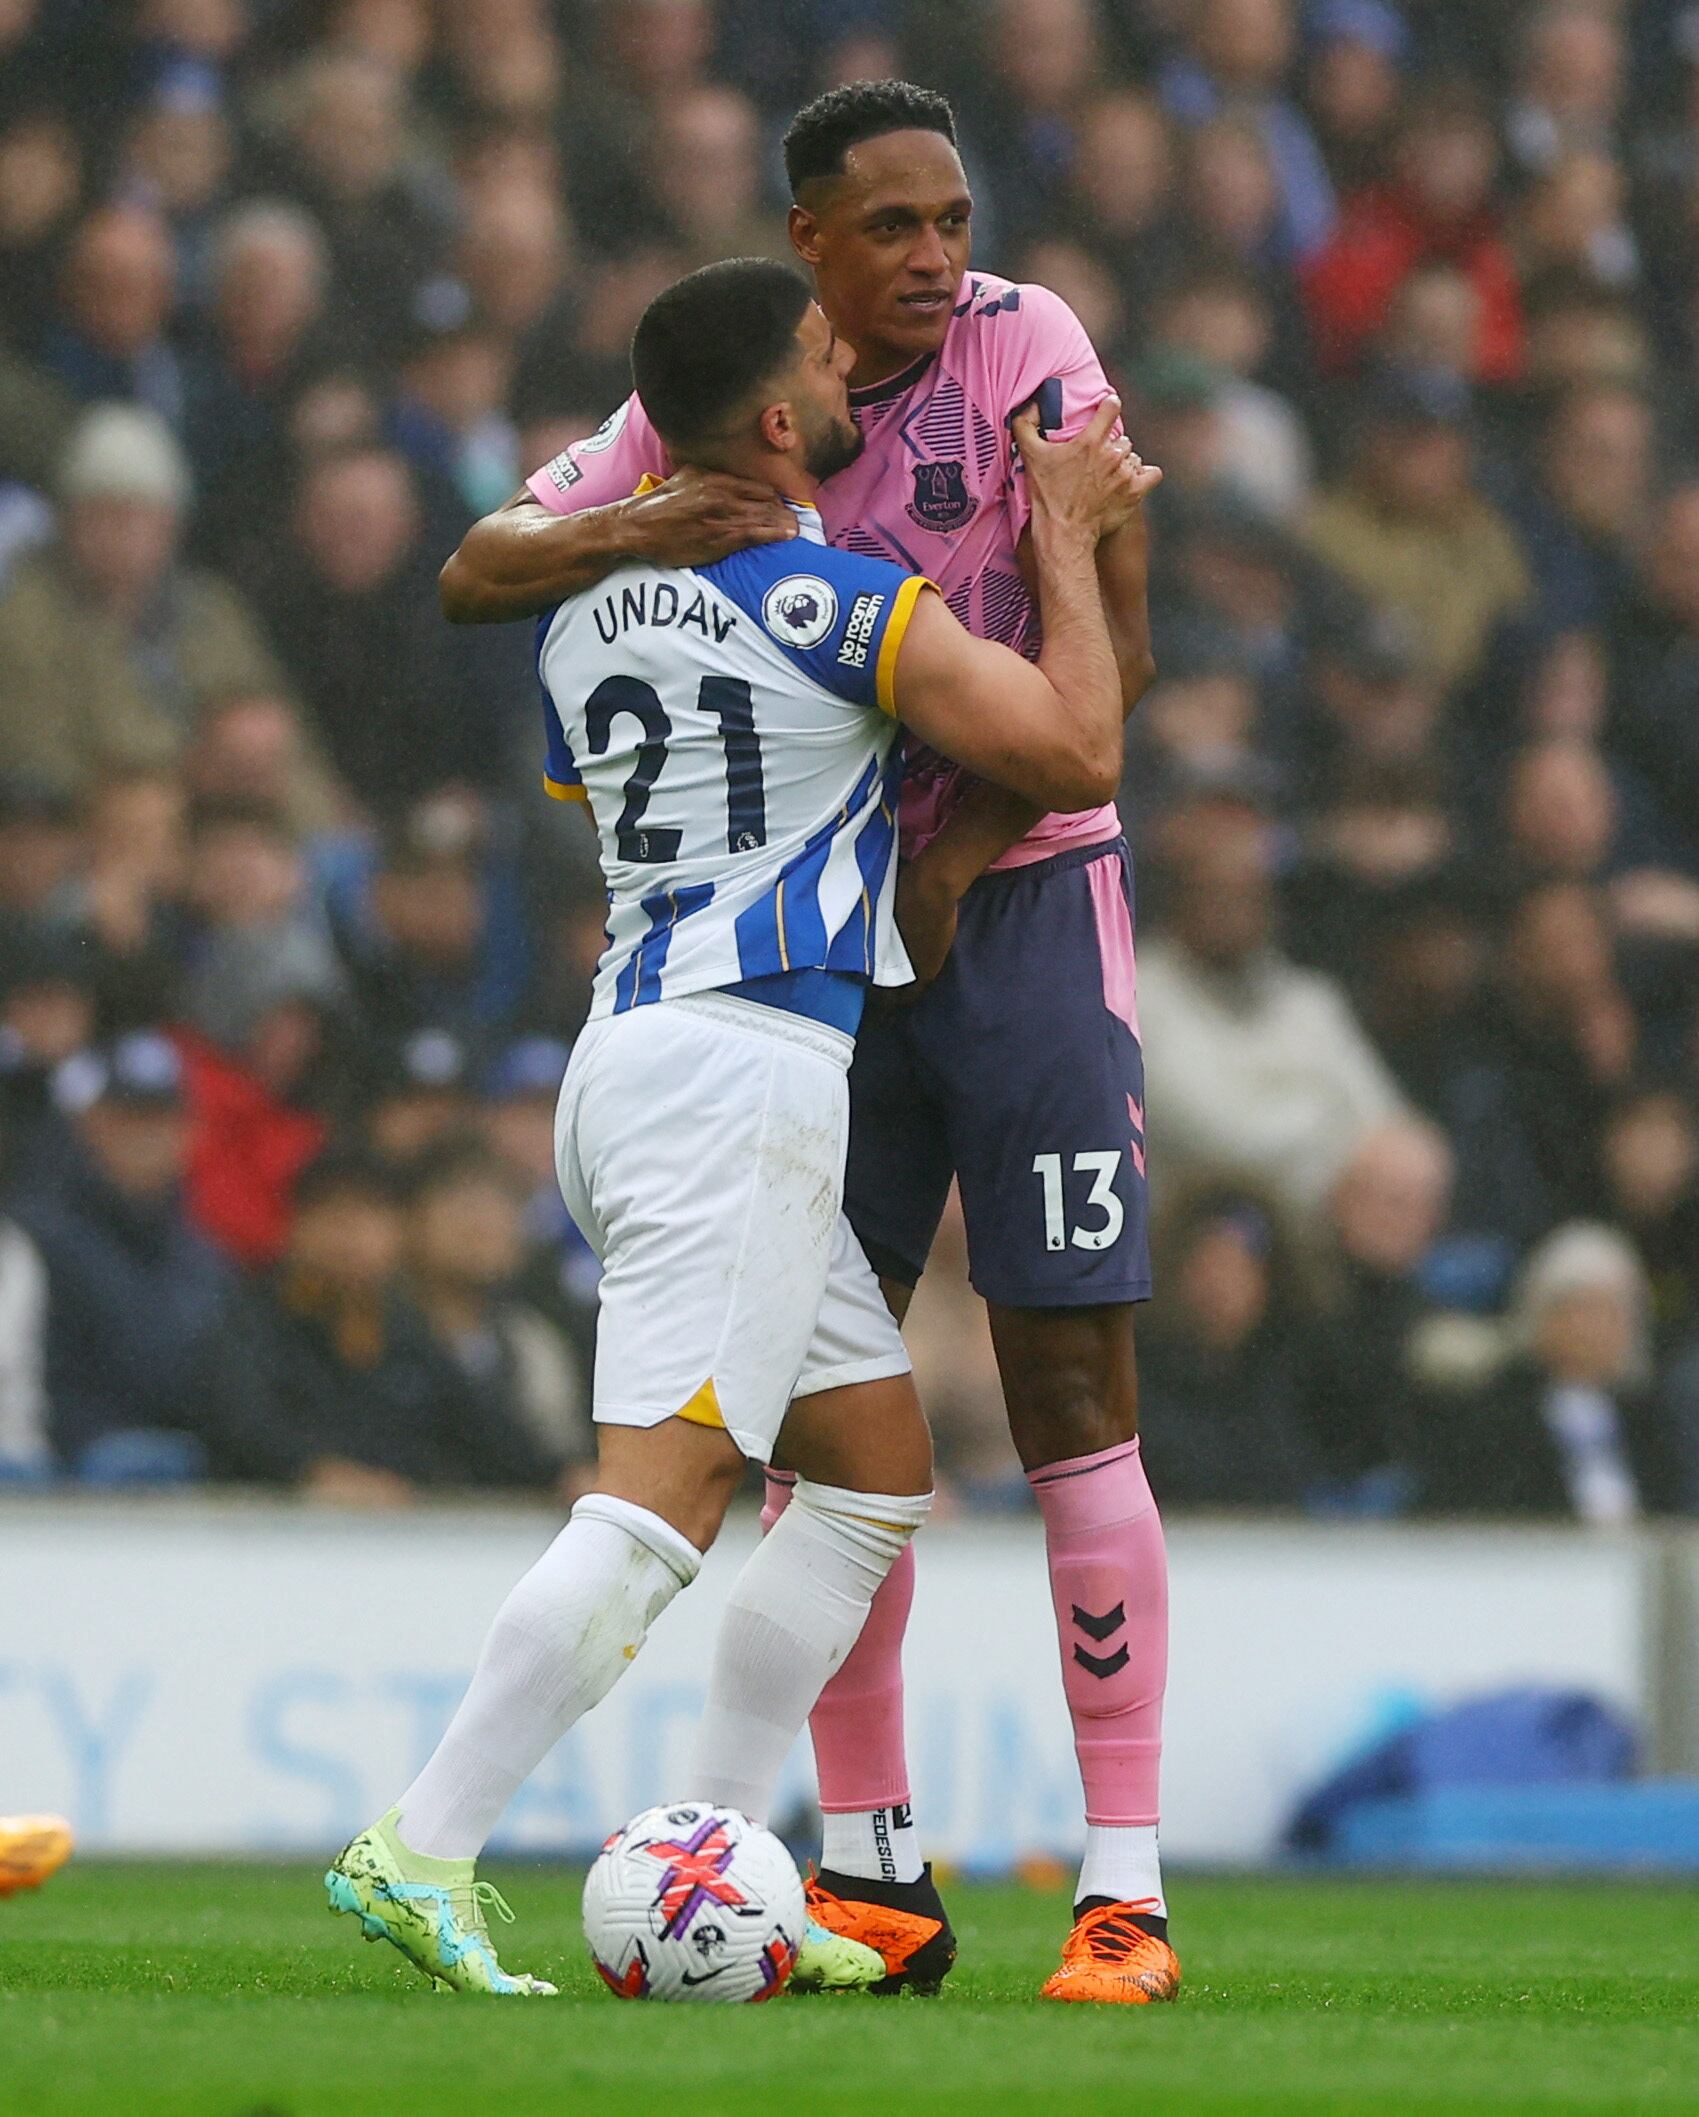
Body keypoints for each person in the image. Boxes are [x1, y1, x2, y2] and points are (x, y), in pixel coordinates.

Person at [325, 254, 1149, 2002]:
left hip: (633, 1053)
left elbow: (528, 621)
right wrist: (1064, 534)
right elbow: (1079, 745)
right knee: (666, 1500)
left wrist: (640, 536)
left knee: (869, 1474)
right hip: (746, 1081)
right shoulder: (840, 602)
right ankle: (424, 1841)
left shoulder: (584, 610)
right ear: (779, 419)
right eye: (820, 357)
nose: (853, 363)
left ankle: (708, 1847)